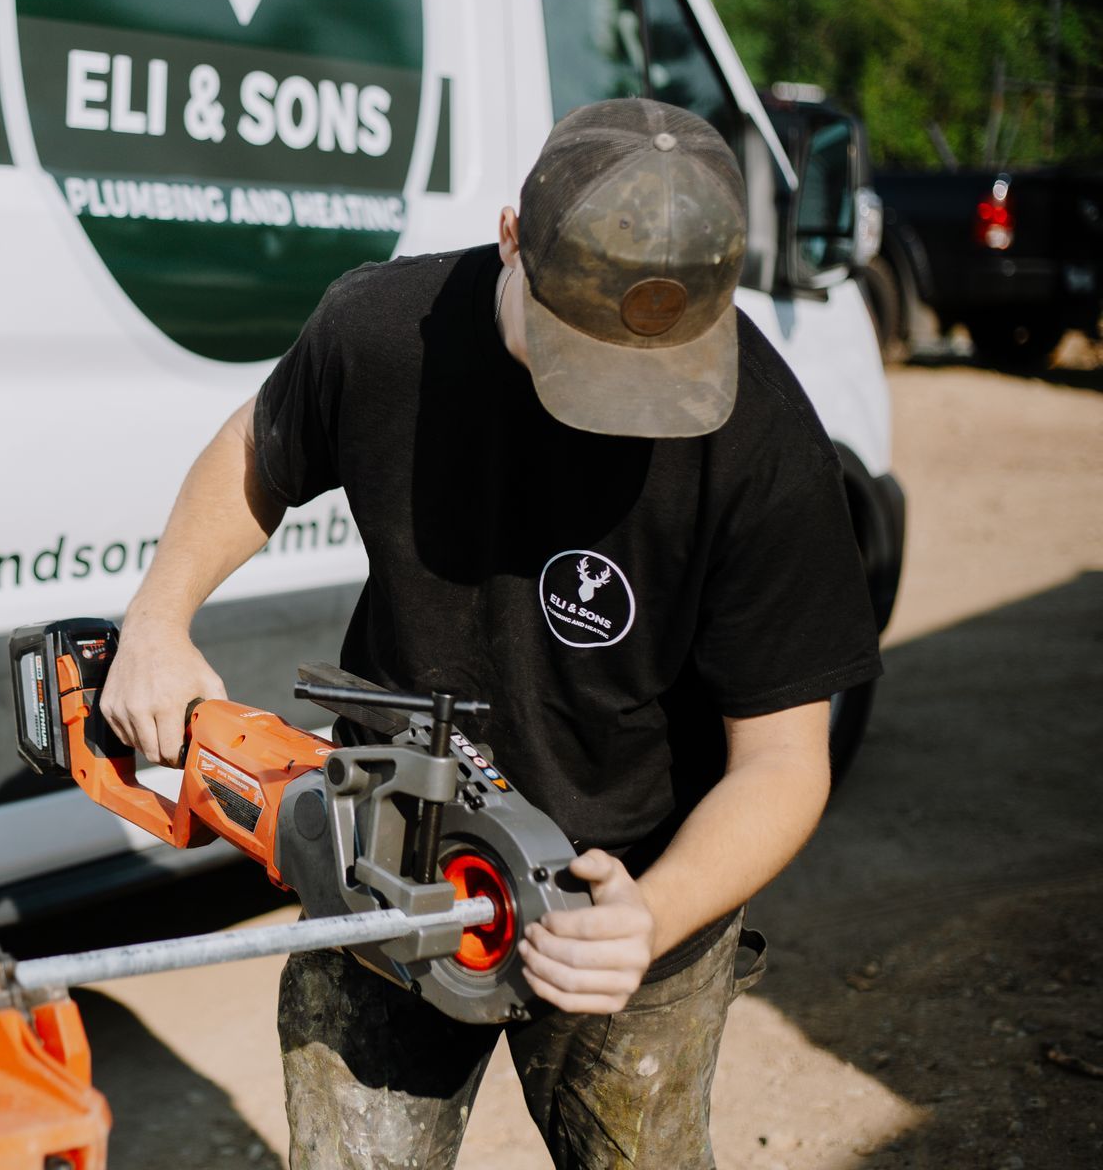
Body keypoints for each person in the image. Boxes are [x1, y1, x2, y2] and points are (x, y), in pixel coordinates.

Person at [99, 98, 883, 1169]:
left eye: (644, 377)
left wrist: (650, 917)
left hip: (627, 898)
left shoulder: (763, 442)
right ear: (512, 237)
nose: (605, 406)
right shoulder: (382, 329)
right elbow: (259, 448)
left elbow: (785, 758)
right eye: (577, 356)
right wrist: (157, 617)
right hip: (388, 859)